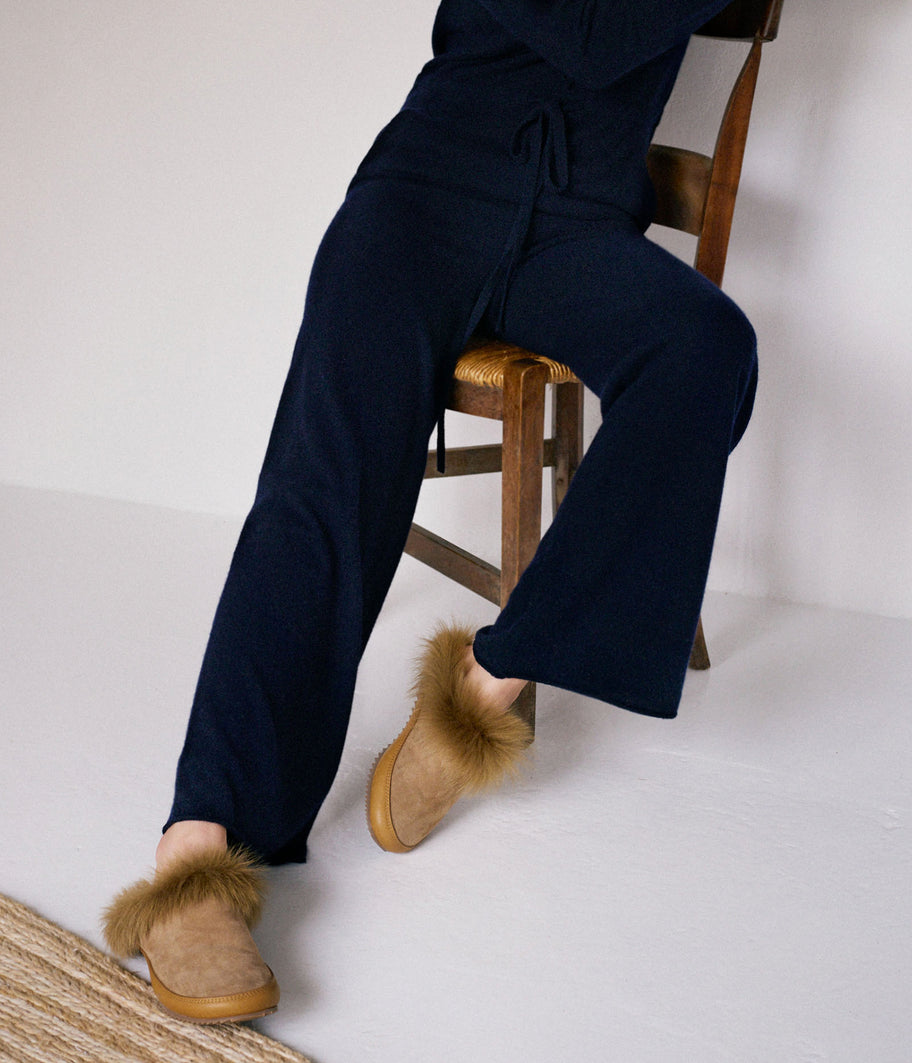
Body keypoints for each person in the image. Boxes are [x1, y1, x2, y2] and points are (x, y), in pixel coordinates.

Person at [103, 0, 758, 1024]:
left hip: (579, 225)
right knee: (323, 484)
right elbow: (592, 37)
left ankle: (485, 690)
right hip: (421, 198)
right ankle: (197, 851)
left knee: (706, 349)